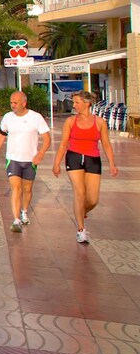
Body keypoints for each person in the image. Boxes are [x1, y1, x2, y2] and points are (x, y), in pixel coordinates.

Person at [52, 91, 119, 244]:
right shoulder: (70, 121)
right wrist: (56, 163)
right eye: (73, 102)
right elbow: (63, 143)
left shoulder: (100, 122)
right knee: (80, 193)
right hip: (74, 157)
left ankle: (81, 213)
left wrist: (112, 164)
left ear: (87, 103)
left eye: (77, 102)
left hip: (93, 159)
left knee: (93, 199)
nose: (74, 105)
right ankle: (81, 230)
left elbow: (106, 144)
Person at [0, 91, 51, 233]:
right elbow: (1, 135)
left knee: (27, 189)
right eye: (11, 102)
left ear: (24, 103)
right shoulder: (8, 118)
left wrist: (41, 153)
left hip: (30, 160)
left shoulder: (35, 118)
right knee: (16, 188)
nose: (12, 105)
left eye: (15, 103)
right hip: (13, 159)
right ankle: (16, 220)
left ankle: (24, 211)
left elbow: (47, 139)